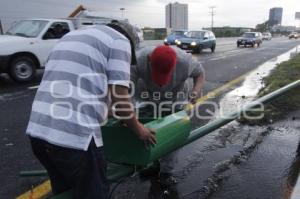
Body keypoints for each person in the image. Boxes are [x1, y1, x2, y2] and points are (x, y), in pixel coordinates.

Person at [26, 21, 156, 199]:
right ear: (131, 40)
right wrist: (139, 129)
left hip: (38, 132)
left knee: (65, 193)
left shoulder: (71, 36)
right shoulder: (120, 41)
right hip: (73, 138)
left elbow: (75, 88)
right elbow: (119, 94)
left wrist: (107, 111)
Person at [131, 45, 205, 184]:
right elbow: (126, 89)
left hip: (175, 98)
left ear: (175, 64)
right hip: (146, 96)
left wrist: (196, 91)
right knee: (148, 129)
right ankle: (153, 163)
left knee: (172, 133)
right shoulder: (138, 60)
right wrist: (131, 116)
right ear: (149, 60)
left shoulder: (185, 61)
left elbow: (200, 74)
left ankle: (166, 171)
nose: (160, 84)